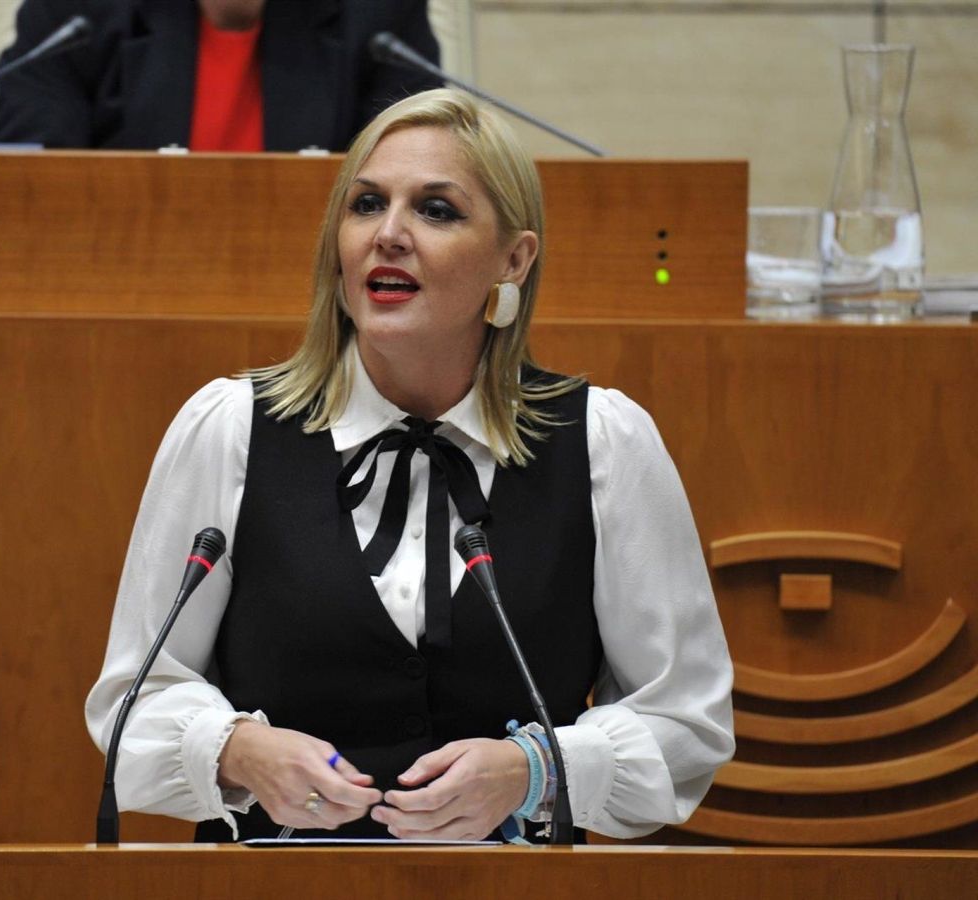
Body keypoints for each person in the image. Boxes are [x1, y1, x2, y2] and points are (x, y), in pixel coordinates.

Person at [85, 88, 735, 843]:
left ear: (514, 259)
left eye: (436, 210)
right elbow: (132, 700)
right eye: (366, 204)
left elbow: (685, 721)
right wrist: (236, 751)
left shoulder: (603, 443)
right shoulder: (230, 429)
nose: (388, 234)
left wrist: (536, 769)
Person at [0, 0, 441, 151]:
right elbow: (31, 183)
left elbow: (414, 171)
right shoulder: (73, 13)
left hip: (323, 304)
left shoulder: (381, 14)